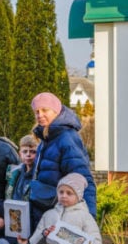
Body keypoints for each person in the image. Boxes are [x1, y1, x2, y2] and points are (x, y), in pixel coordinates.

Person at [29, 92, 96, 229]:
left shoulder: (66, 139)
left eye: (45, 110)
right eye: (37, 112)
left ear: (56, 111)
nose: (40, 115)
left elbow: (83, 178)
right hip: (46, 212)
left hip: (62, 214)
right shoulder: (46, 139)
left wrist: (89, 220)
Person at [29, 173, 104, 244]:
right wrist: (44, 234)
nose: (64, 195)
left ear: (78, 195)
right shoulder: (49, 215)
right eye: (61, 192)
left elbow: (97, 243)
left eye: (69, 193)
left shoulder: (85, 217)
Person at [7, 135, 39, 201]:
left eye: (33, 152)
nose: (28, 155)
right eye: (25, 151)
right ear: (20, 154)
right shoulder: (15, 173)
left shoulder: (40, 174)